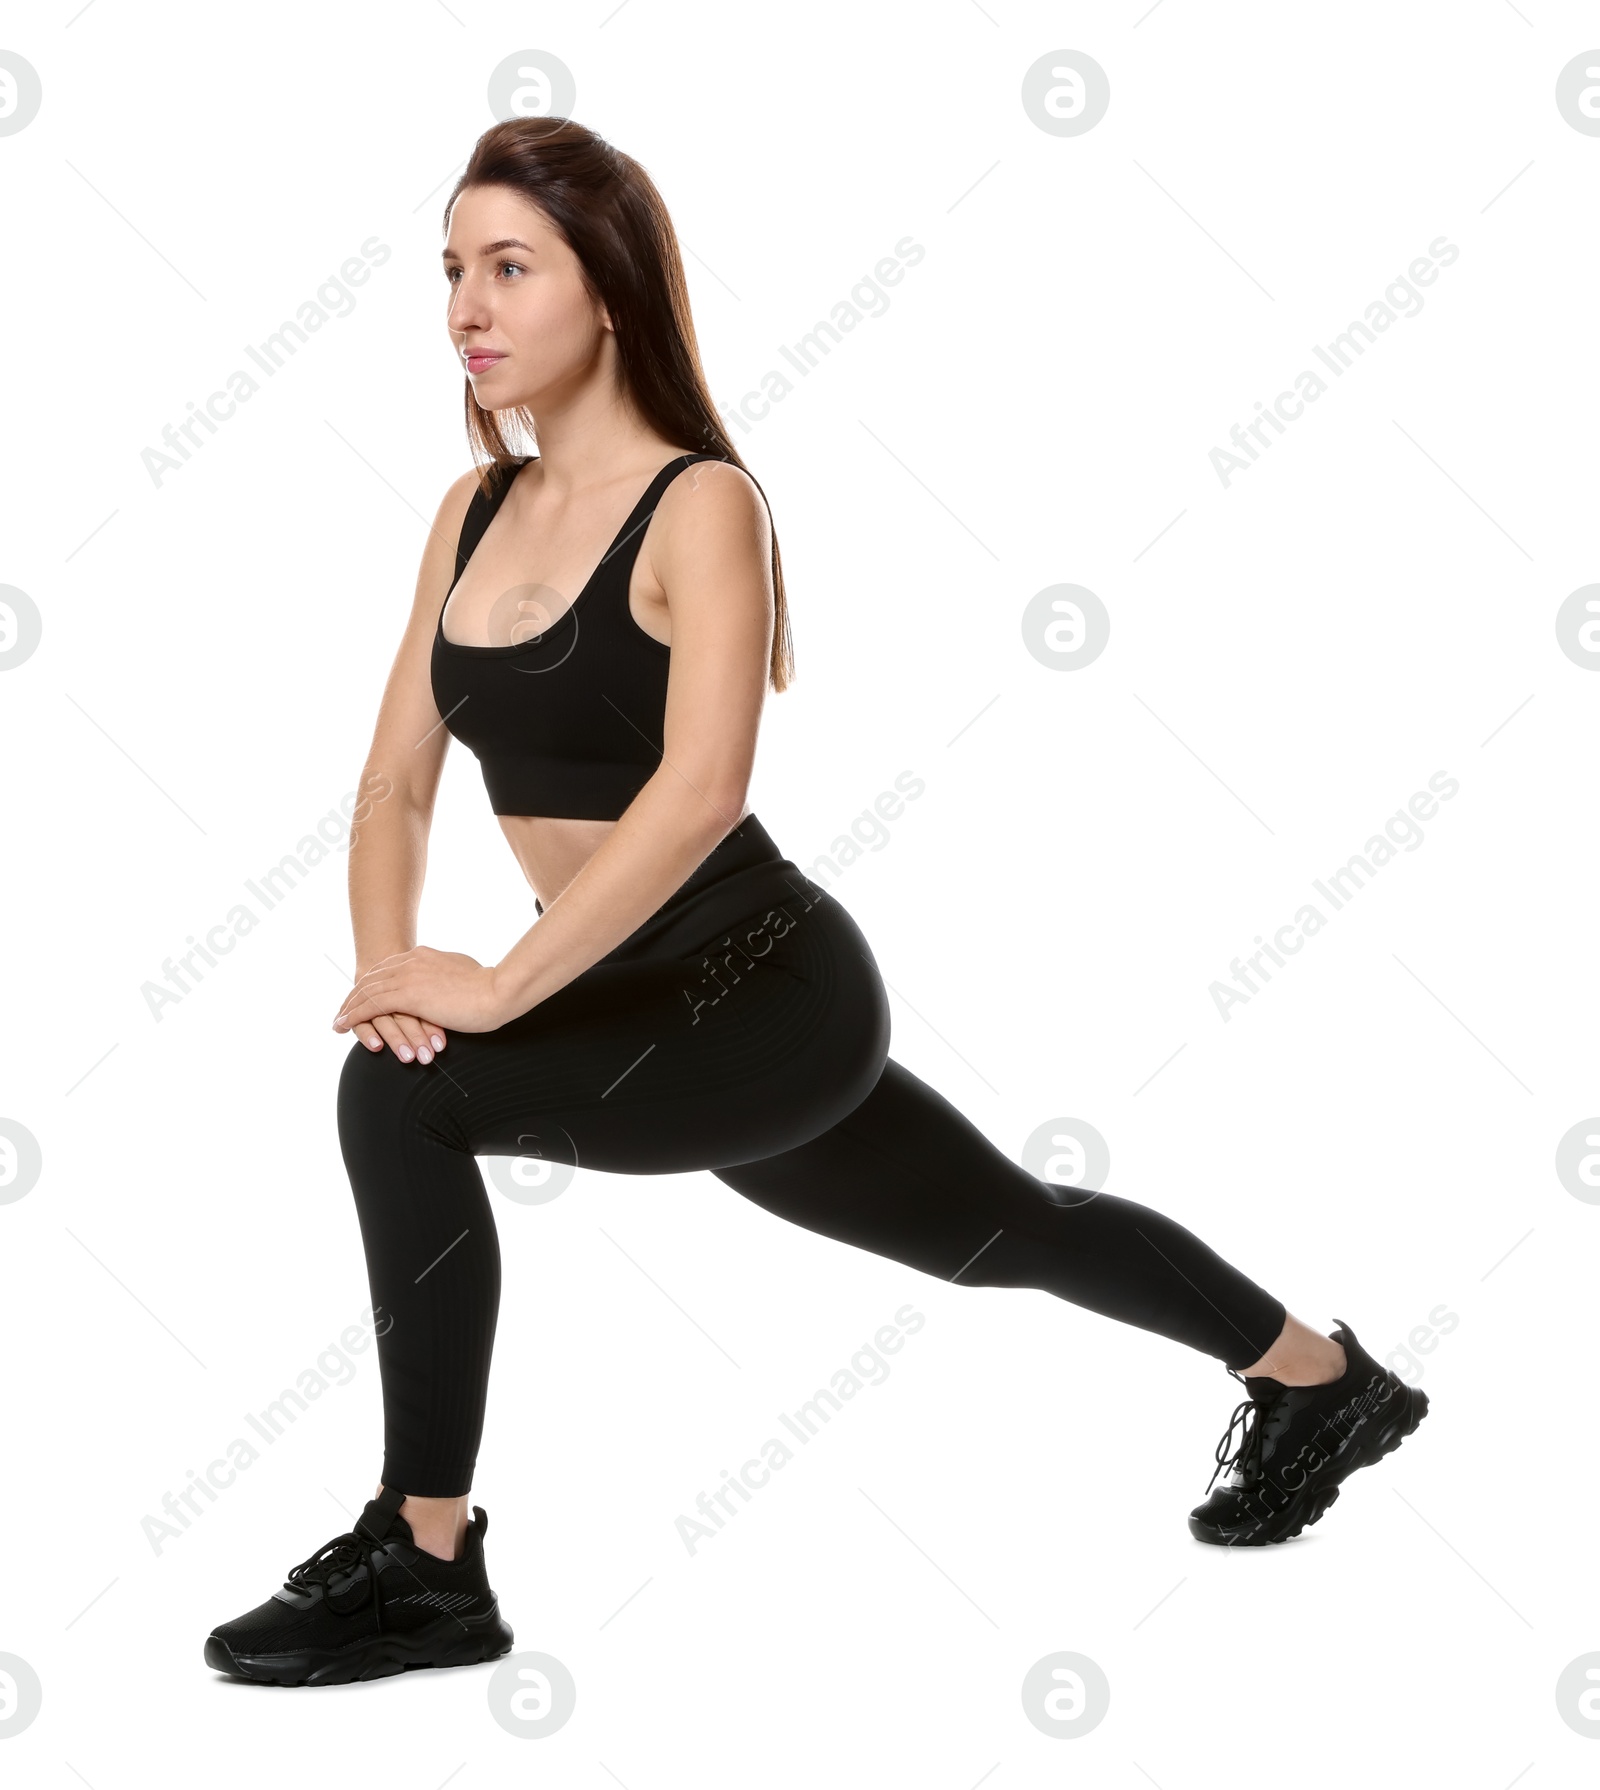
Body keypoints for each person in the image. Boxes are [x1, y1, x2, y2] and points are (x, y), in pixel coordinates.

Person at [203, 117, 1429, 1689]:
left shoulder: (704, 502)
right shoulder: (470, 508)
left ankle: (425, 1559)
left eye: (510, 266)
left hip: (761, 989)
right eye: (451, 269)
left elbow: (700, 789)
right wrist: (392, 965)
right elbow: (395, 780)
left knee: (399, 1108)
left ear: (613, 293)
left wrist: (493, 989)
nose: (466, 304)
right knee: (1009, 1231)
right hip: (621, 997)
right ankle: (1321, 1380)